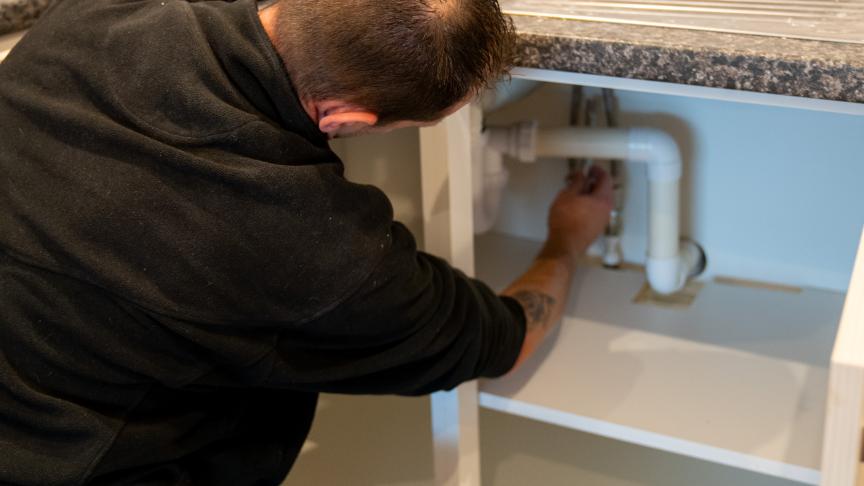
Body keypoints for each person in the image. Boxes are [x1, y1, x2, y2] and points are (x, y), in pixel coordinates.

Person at [0, 0, 613, 484]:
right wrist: (566, 240)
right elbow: (500, 336)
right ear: (345, 121)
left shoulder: (92, 15)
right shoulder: (317, 251)